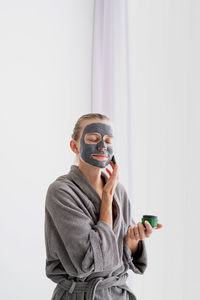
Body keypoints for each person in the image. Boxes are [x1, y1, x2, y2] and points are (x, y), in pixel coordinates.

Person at [44, 113, 163, 300]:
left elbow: (121, 258)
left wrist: (133, 240)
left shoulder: (118, 190)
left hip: (118, 294)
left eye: (108, 140)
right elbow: (90, 261)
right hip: (81, 295)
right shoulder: (61, 192)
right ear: (74, 146)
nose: (102, 146)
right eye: (93, 139)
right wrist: (107, 196)